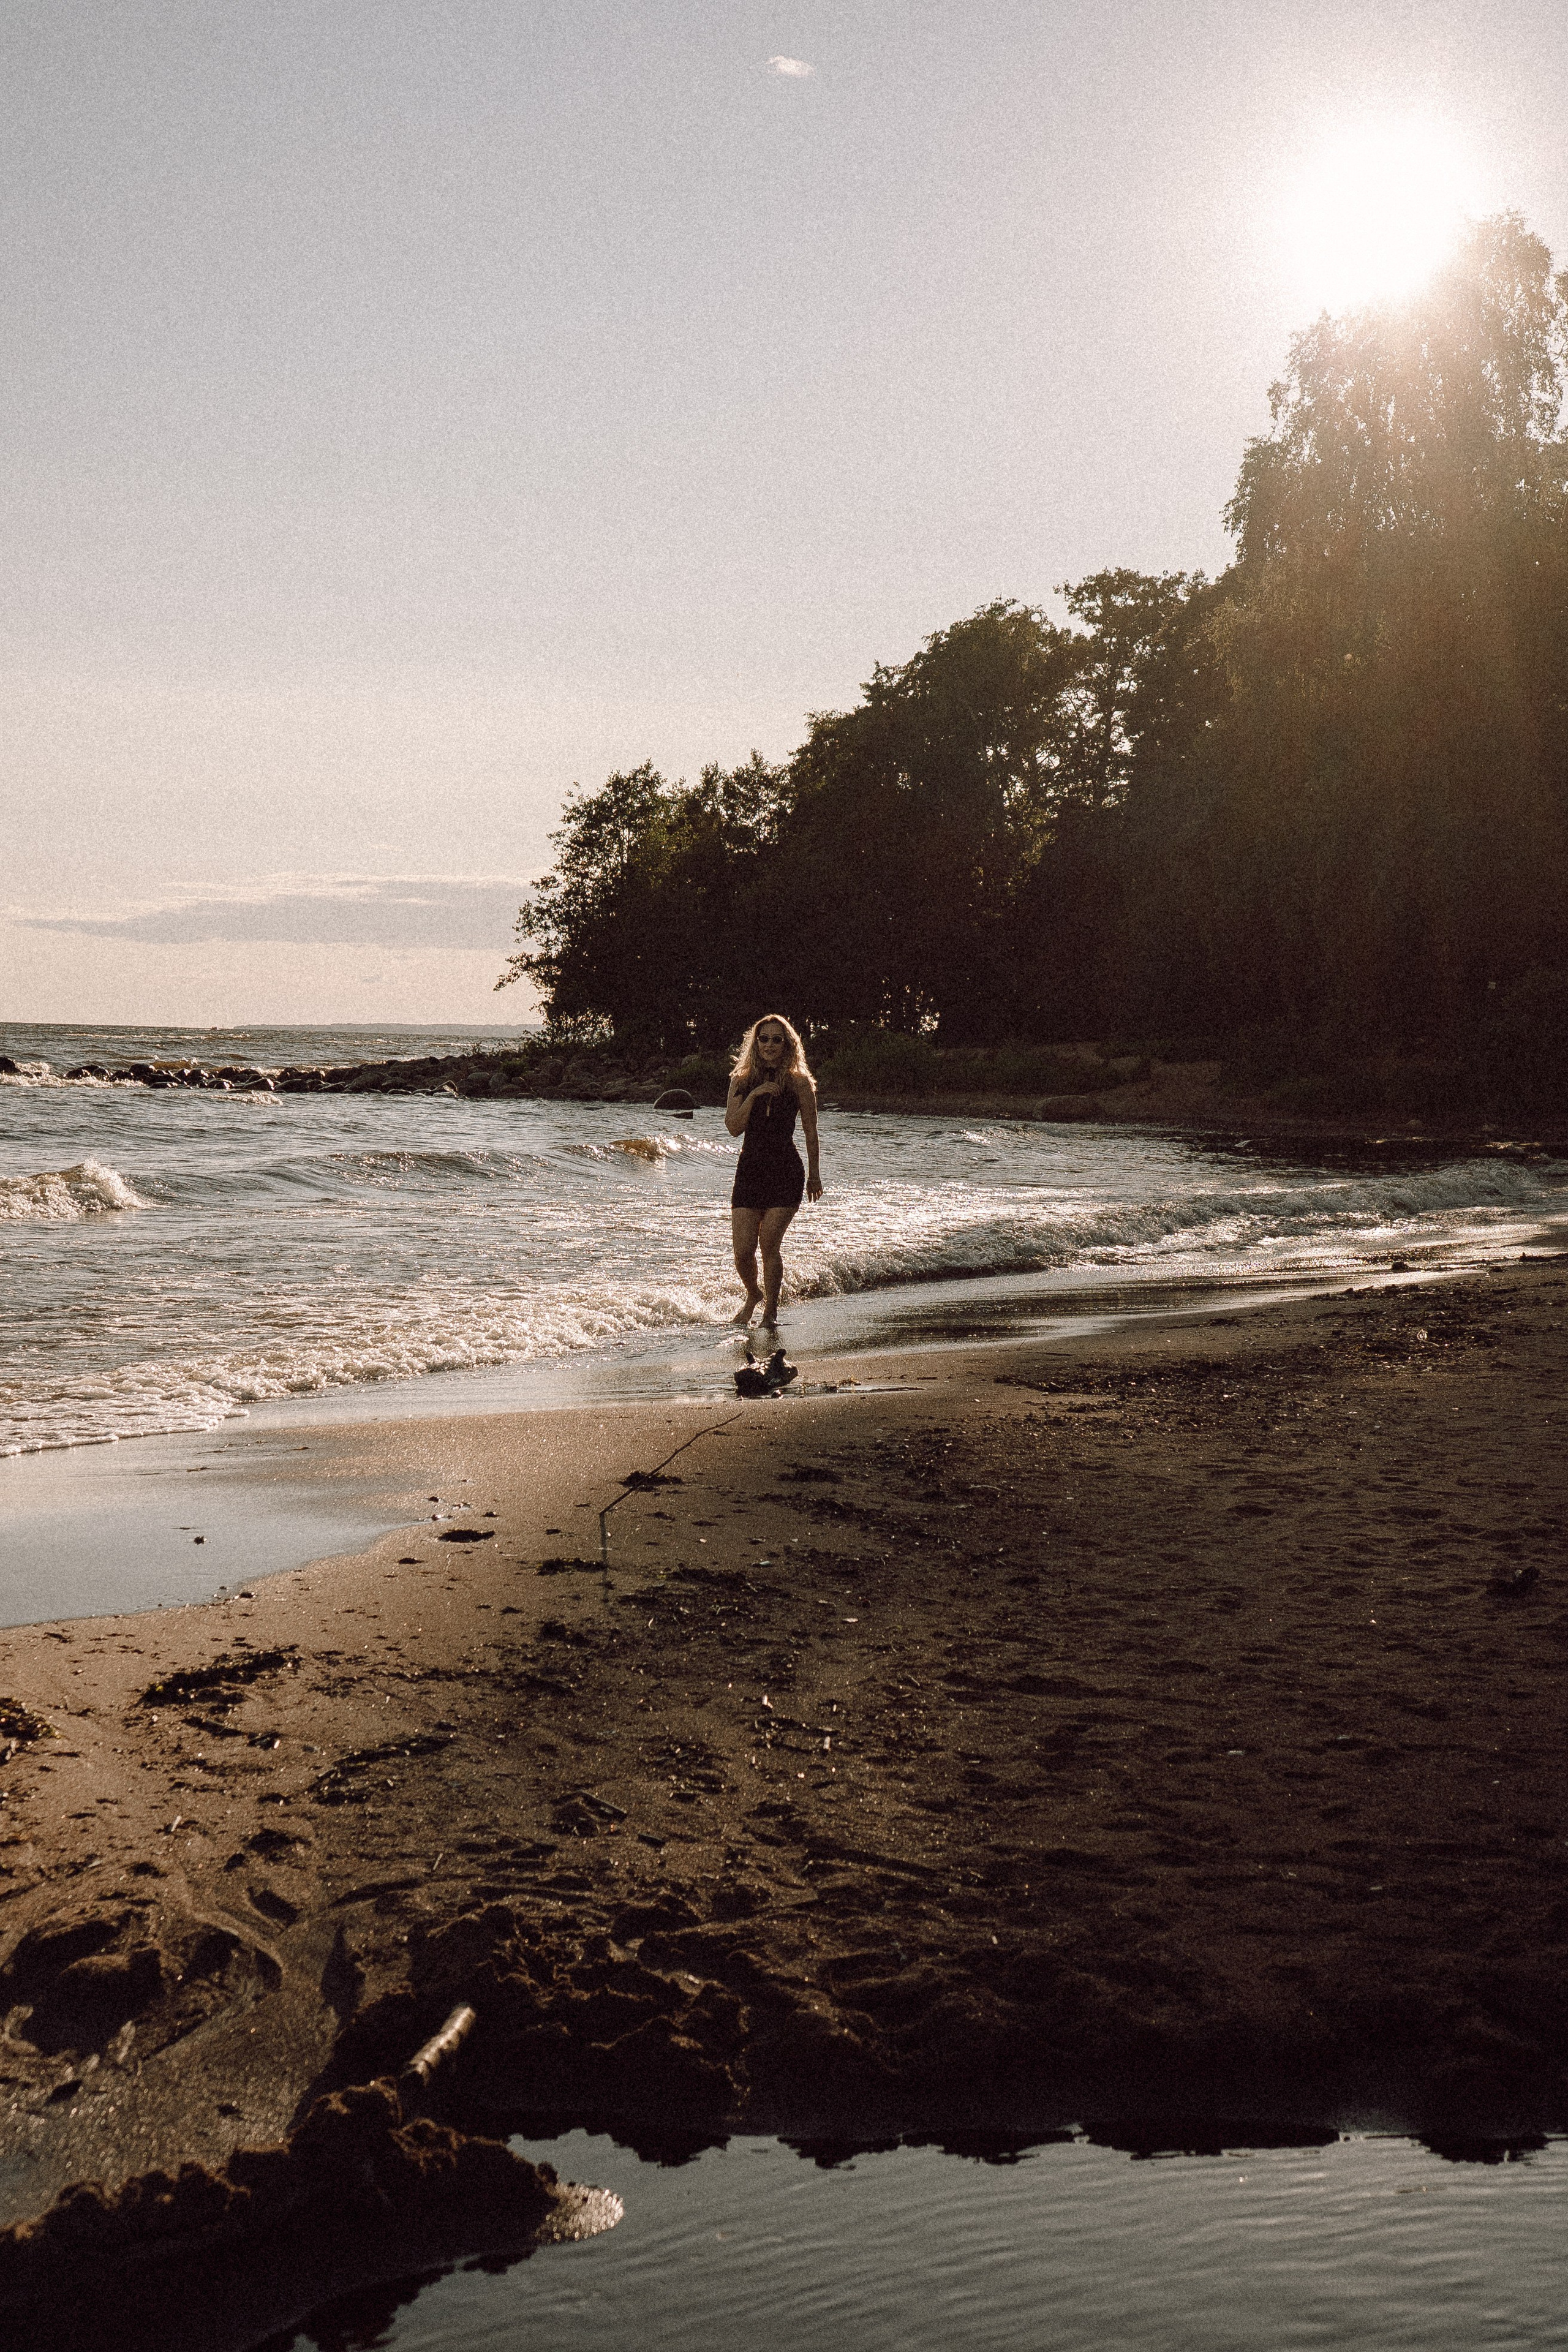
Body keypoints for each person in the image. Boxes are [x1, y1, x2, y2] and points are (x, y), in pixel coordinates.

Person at [726, 1012, 821, 1330]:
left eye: (776, 1040)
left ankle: (770, 1312)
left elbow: (810, 1131)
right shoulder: (742, 1080)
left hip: (785, 1170)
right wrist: (754, 1095)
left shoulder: (799, 1082)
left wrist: (815, 1175)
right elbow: (733, 1128)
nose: (769, 1045)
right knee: (742, 1253)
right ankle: (754, 1294)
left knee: (769, 1243)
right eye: (763, 1039)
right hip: (750, 1170)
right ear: (755, 1043)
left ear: (787, 1045)